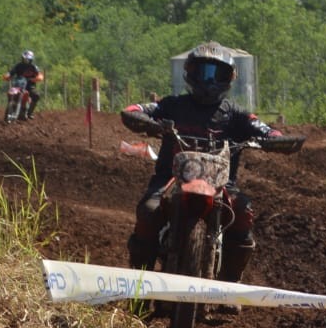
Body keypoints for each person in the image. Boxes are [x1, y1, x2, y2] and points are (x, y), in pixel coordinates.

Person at [119, 41, 298, 284]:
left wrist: (275, 140)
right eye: (202, 73)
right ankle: (138, 286)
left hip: (221, 183)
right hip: (171, 179)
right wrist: (145, 121)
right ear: (190, 73)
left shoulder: (235, 114)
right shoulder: (172, 105)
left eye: (217, 74)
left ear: (230, 77)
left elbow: (266, 129)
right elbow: (135, 108)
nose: (209, 81)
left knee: (242, 214)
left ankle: (230, 285)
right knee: (148, 211)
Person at [7, 49, 44, 119]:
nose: (25, 60)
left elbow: (40, 75)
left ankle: (29, 113)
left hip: (29, 86)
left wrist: (37, 78)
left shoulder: (33, 67)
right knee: (10, 92)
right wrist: (7, 75)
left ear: (31, 60)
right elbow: (11, 72)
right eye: (24, 58)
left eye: (27, 59)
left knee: (36, 95)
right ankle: (11, 106)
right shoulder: (18, 65)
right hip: (18, 85)